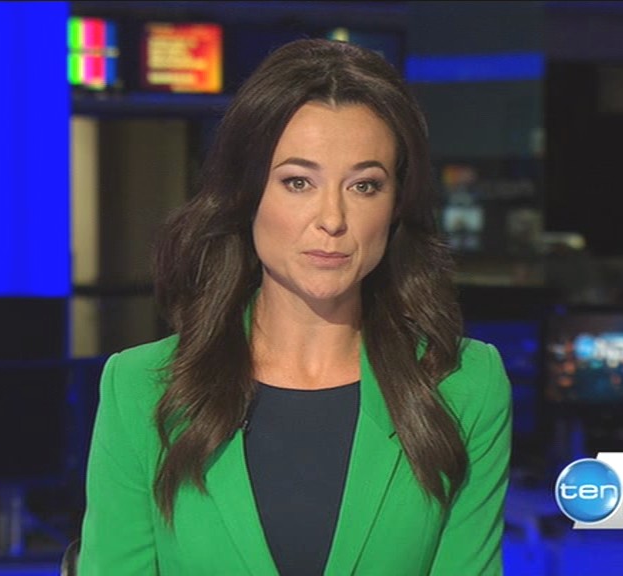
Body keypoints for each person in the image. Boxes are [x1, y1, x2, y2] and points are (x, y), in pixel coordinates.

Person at [78, 38, 512, 575]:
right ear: (247, 193)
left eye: (364, 185)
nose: (332, 219)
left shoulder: (466, 385)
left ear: (396, 205)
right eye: (298, 182)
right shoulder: (141, 389)